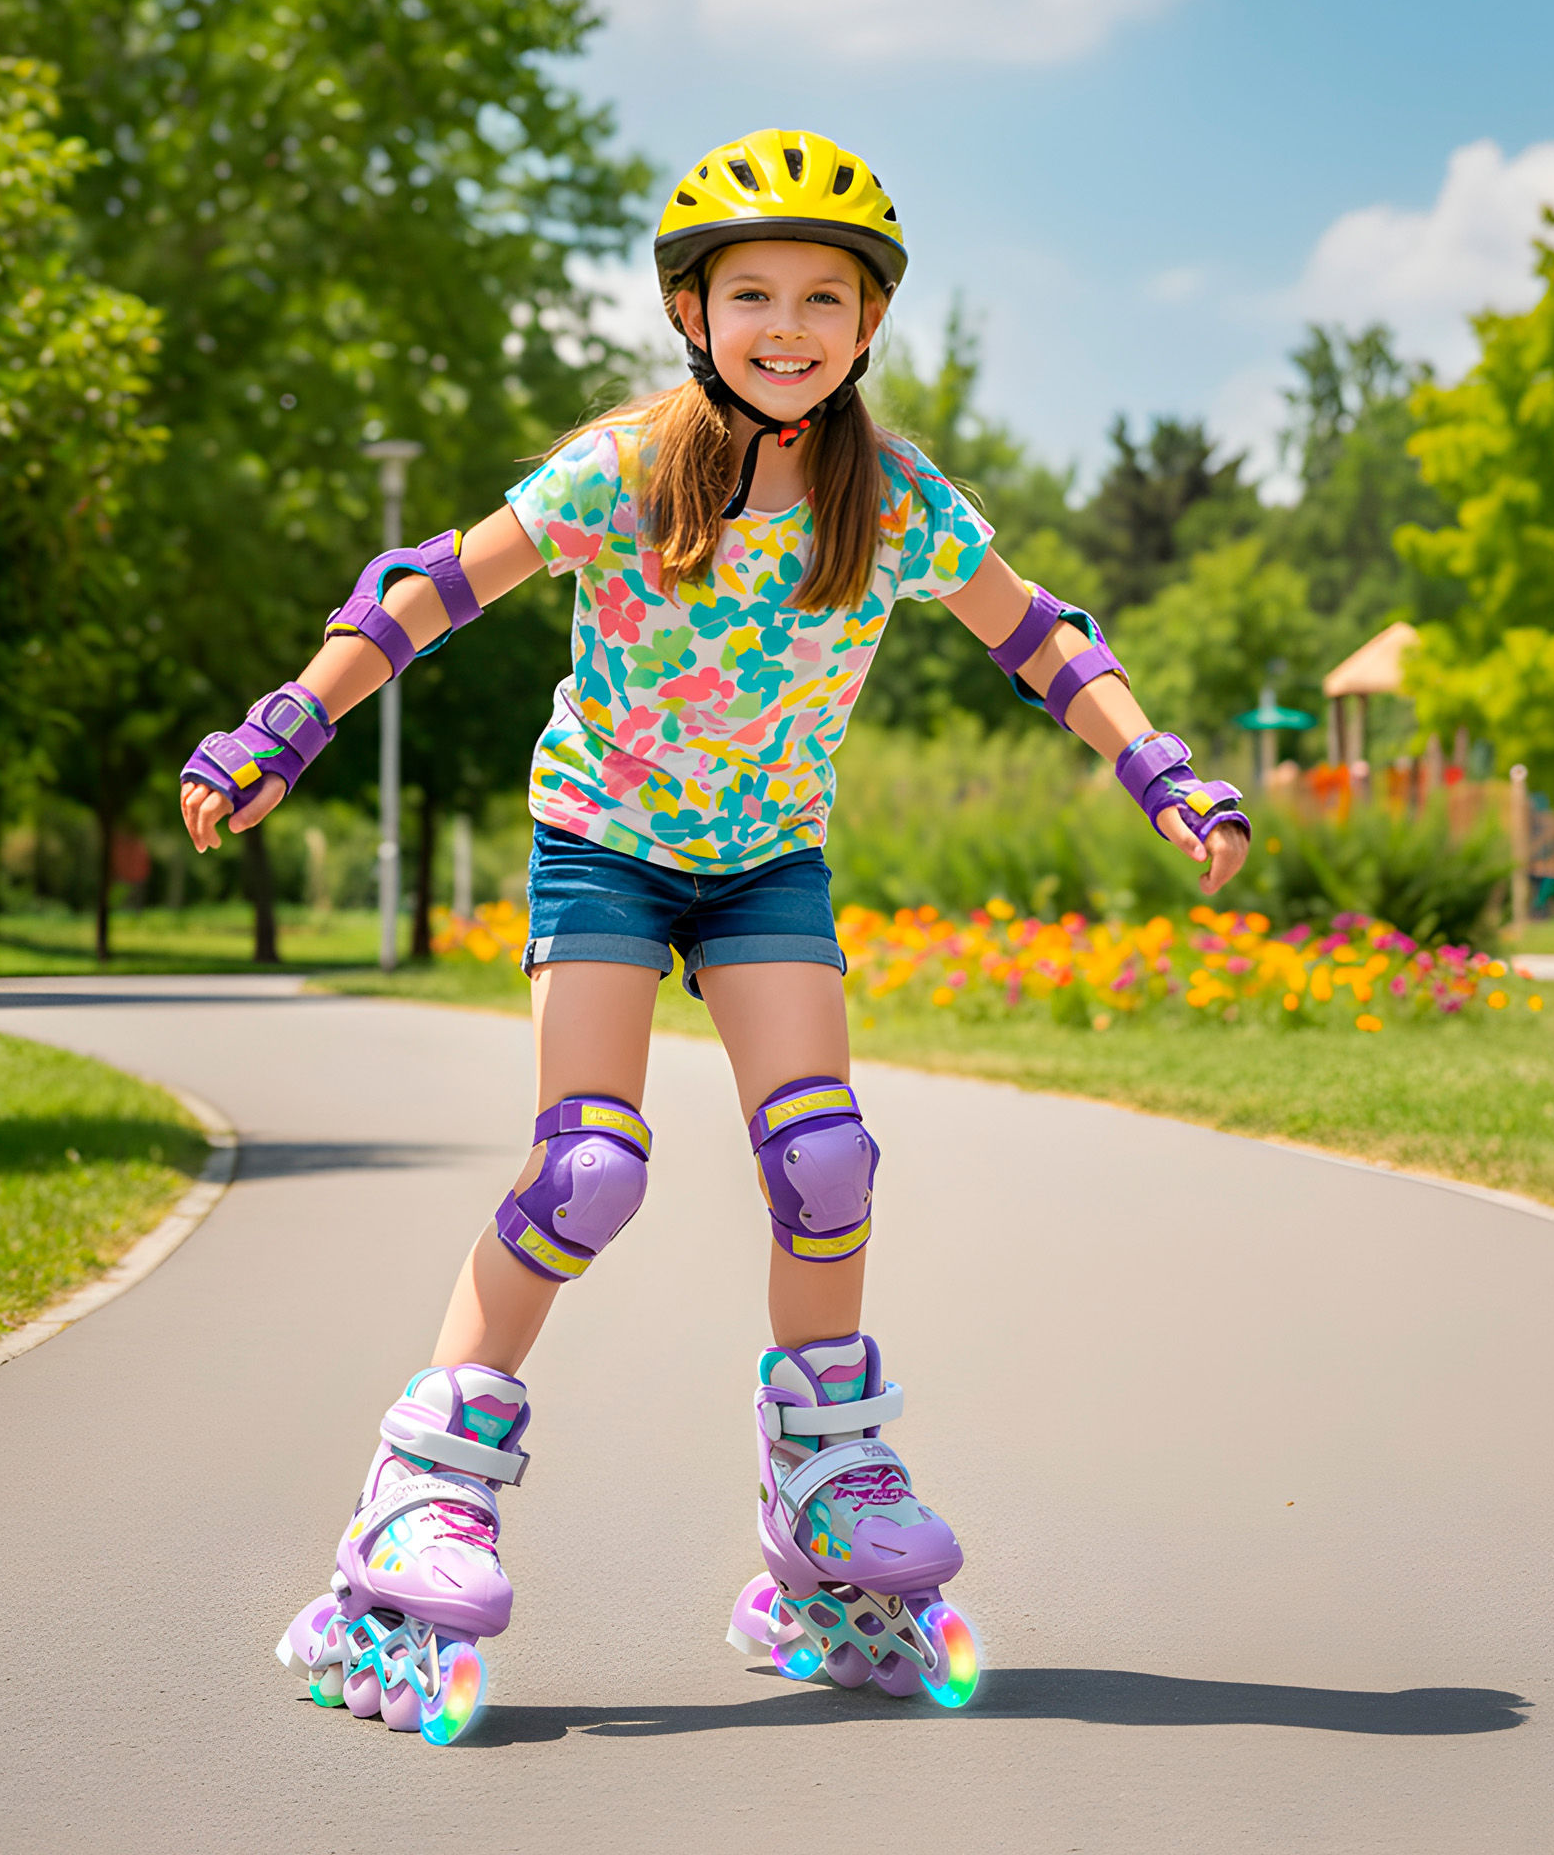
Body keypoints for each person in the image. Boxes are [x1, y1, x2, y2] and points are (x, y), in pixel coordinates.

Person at [180, 127, 1249, 1739]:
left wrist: (1156, 766)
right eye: (753, 291)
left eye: (826, 296)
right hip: (602, 843)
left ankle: (824, 1495)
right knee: (588, 1168)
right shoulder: (622, 468)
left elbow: (1040, 636)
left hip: (765, 866)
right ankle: (418, 1493)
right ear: (694, 307)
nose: (789, 324)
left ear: (871, 323)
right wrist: (289, 723)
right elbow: (431, 584)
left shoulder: (889, 499)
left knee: (827, 1162)